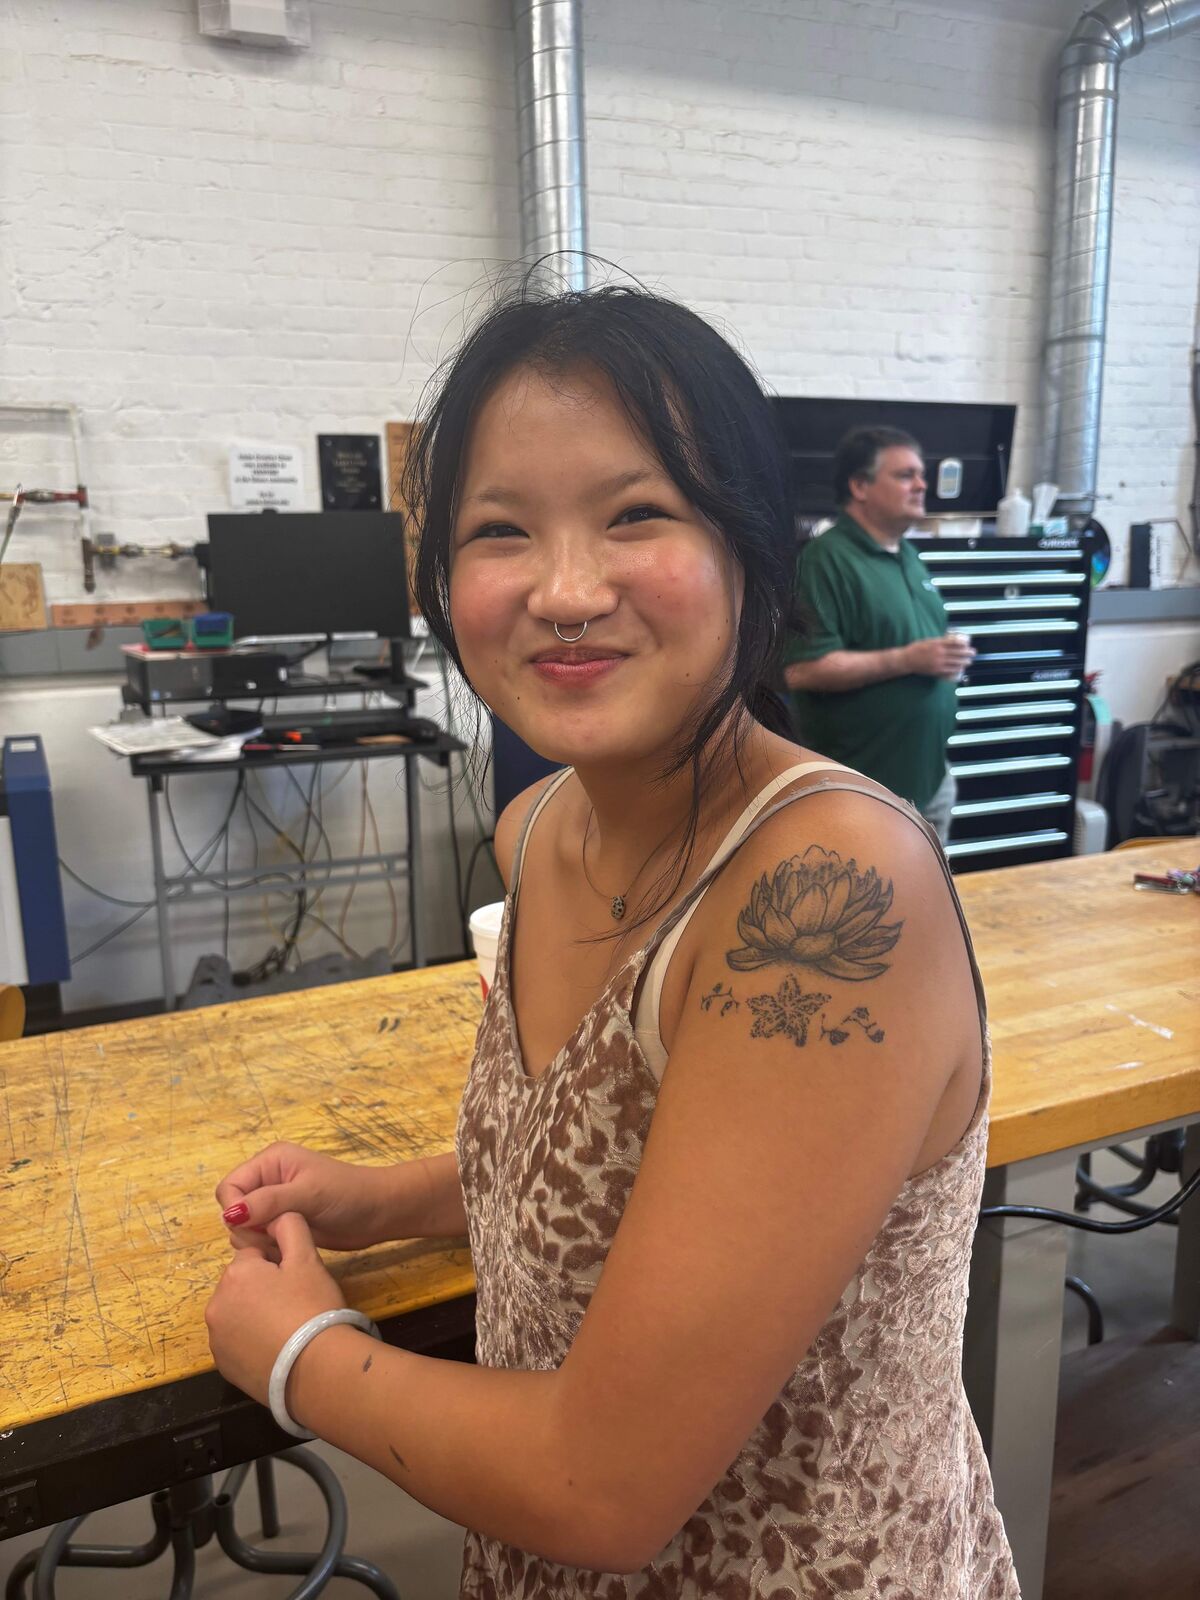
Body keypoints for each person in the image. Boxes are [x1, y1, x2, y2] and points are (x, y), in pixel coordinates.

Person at [205, 285, 1019, 1597]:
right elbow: (623, 1170)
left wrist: (302, 1354)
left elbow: (604, 1483)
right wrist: (387, 1200)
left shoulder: (824, 895)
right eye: (500, 531)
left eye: (636, 514)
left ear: (749, 549)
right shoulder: (536, 833)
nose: (568, 590)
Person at [784, 427, 975, 844]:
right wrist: (909, 659)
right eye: (905, 475)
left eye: (921, 475)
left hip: (930, 778)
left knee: (930, 888)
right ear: (860, 486)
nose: (922, 485)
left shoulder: (907, 555)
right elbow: (804, 670)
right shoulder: (826, 559)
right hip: (864, 792)